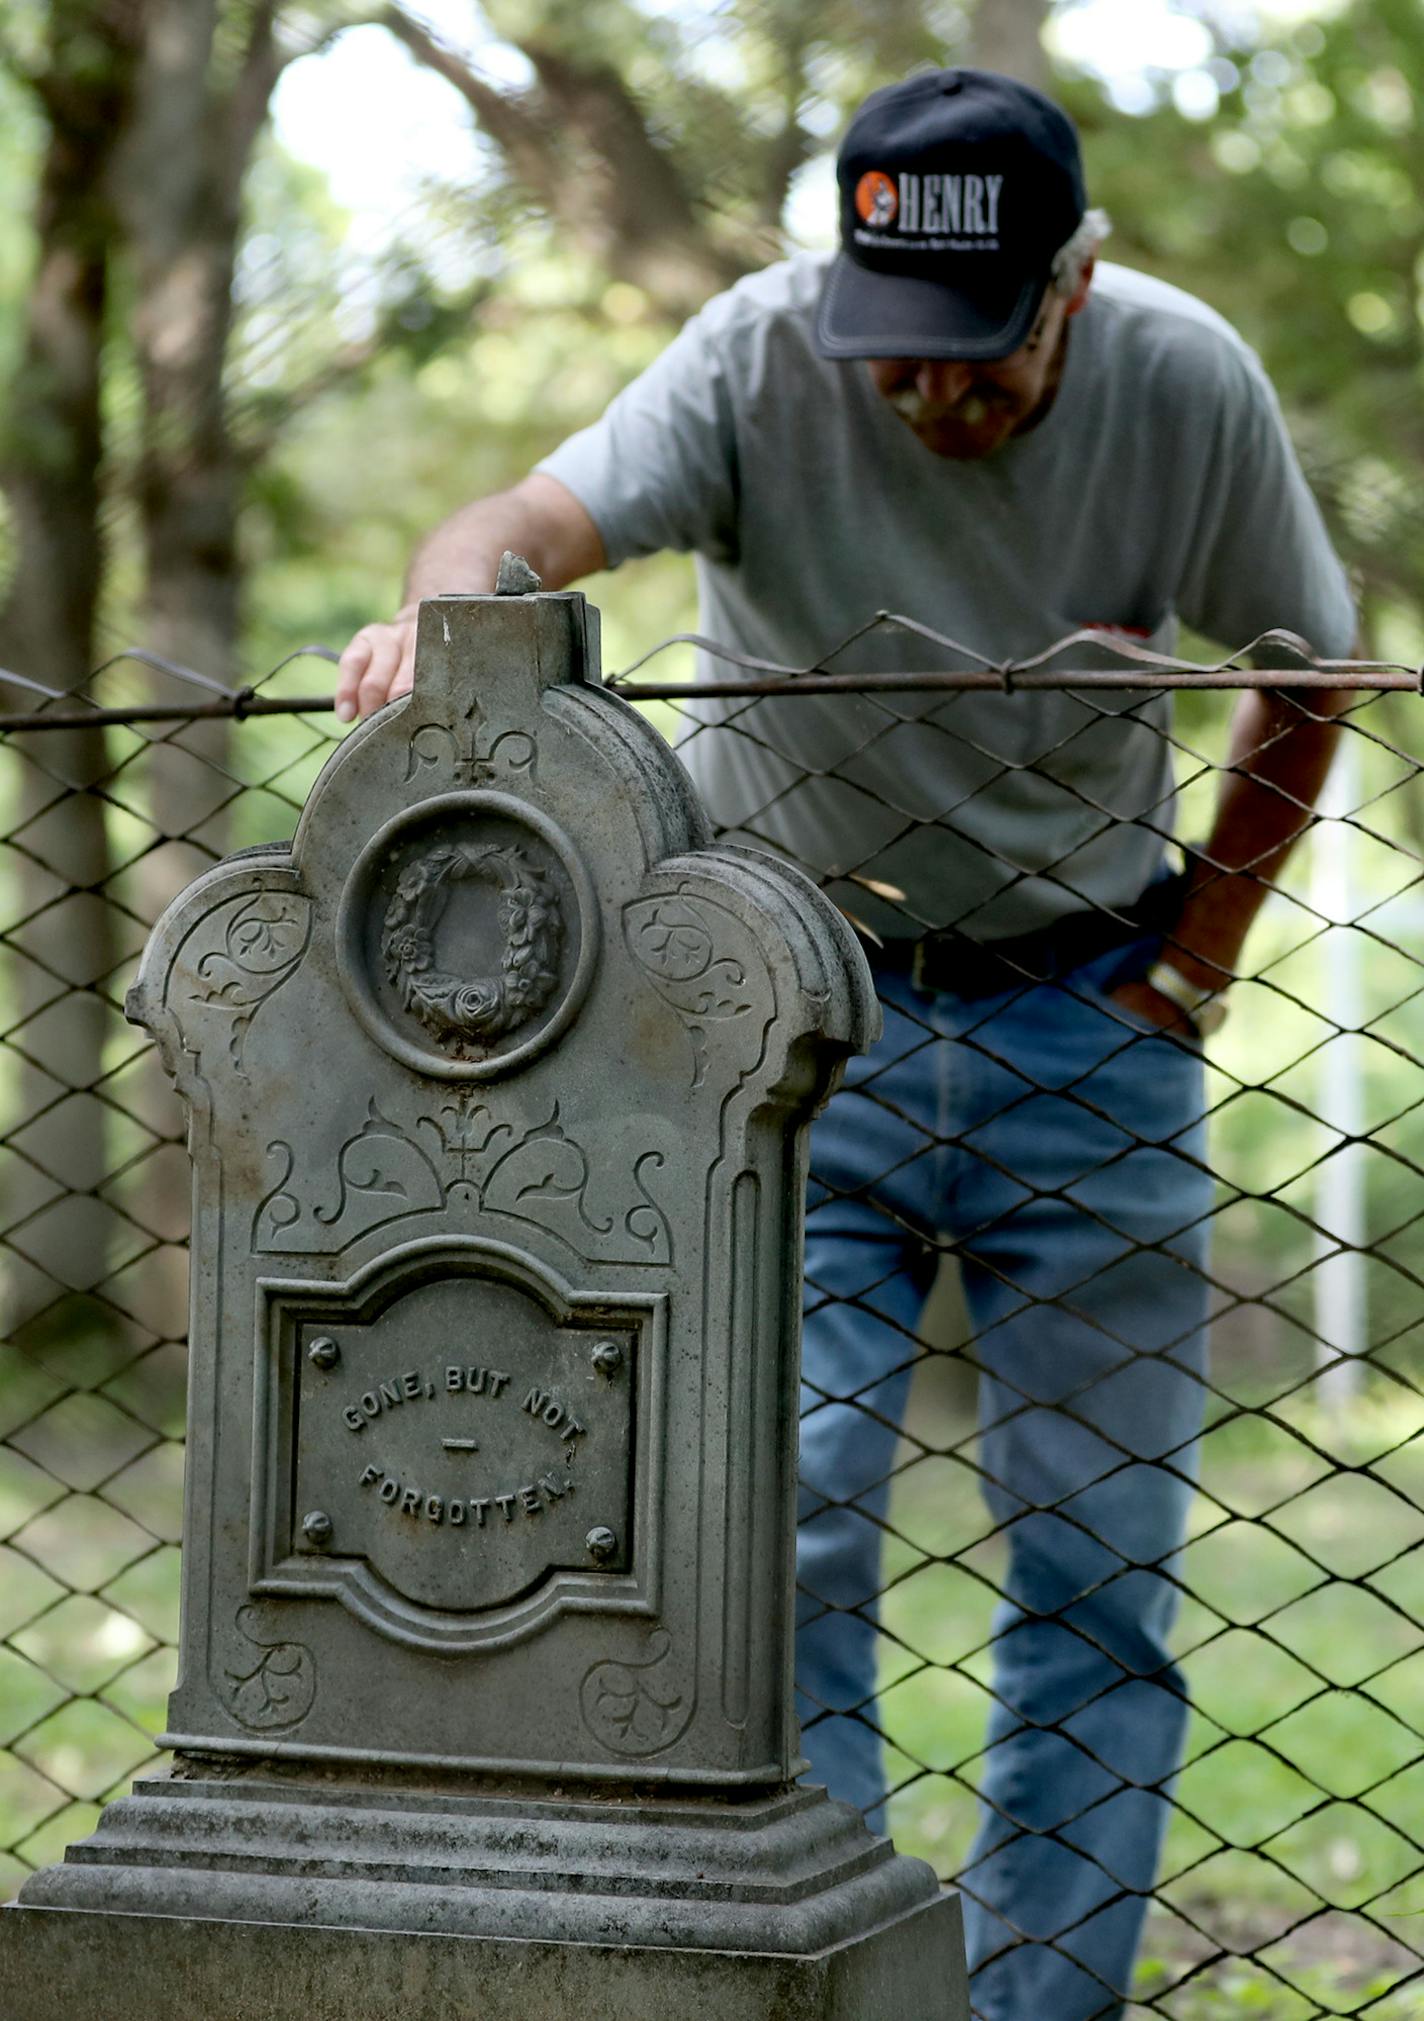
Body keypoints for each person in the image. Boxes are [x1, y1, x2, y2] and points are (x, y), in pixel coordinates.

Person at [338, 67, 1356, 2021]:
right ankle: (843, 1983)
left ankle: (1031, 2003)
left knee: (1095, 1581)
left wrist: (1197, 962)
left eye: (976, 356)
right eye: (893, 352)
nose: (927, 398)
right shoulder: (754, 355)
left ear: (1073, 283)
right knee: (773, 1534)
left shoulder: (1185, 381)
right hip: (788, 1025)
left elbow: (1302, 661)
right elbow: (518, 525)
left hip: (1093, 1010)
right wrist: (448, 620)